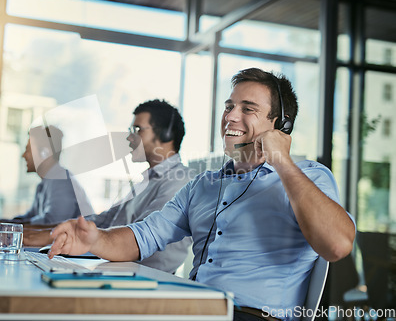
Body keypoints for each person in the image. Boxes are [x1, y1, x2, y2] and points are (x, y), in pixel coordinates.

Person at [47, 68, 356, 321]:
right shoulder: (202, 184)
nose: (230, 117)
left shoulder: (308, 177)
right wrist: (95, 240)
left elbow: (337, 245)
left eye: (248, 109)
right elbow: (144, 236)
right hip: (193, 309)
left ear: (281, 125)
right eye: (229, 107)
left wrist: (282, 161)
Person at [24, 99, 194, 274]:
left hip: (143, 277)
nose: (129, 137)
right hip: (115, 268)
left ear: (165, 134)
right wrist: (46, 233)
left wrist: (48, 236)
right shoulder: (145, 181)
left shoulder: (179, 182)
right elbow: (103, 220)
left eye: (137, 130)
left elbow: (141, 238)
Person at [0, 125, 91, 235]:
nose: (24, 155)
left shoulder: (61, 182)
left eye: (28, 150)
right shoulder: (47, 182)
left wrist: (3, 227)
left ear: (45, 153)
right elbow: (29, 219)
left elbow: (51, 225)